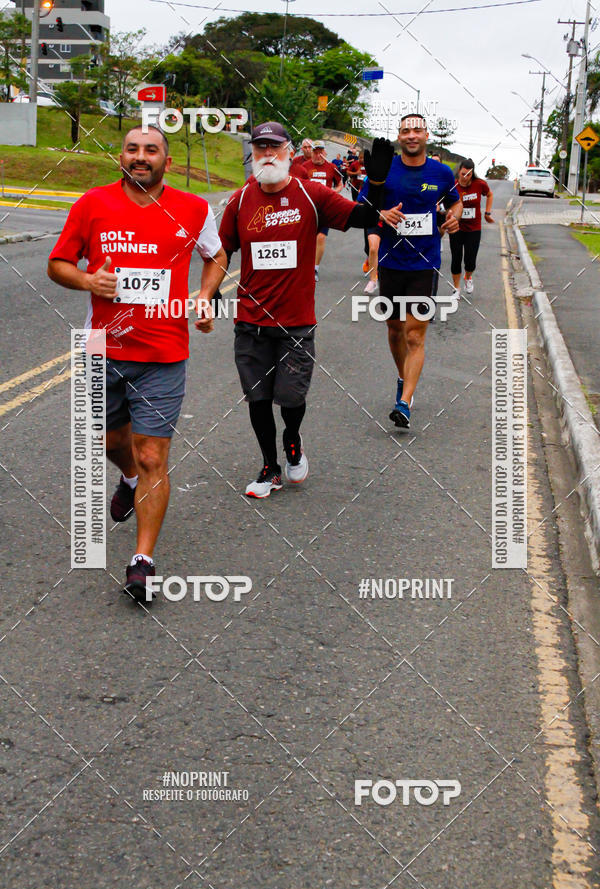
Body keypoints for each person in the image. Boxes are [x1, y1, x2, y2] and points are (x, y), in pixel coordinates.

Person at [48, 124, 227, 600]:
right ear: (121, 157)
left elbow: (216, 255)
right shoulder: (93, 204)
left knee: (153, 454)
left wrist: (206, 295)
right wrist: (88, 283)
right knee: (110, 440)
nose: (141, 156)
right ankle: (126, 478)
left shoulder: (193, 209)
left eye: (151, 149)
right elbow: (58, 263)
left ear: (167, 160)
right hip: (101, 348)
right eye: (133, 149)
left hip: (164, 353)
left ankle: (142, 561)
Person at [218, 121, 397, 498]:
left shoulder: (311, 194)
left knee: (292, 398)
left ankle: (293, 438)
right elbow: (222, 250)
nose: (267, 154)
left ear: (288, 152)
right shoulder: (238, 200)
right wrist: (212, 288)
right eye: (260, 148)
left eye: (274, 148)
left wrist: (376, 185)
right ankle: (270, 467)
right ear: (253, 154)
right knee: (258, 397)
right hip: (250, 321)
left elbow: (363, 217)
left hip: (295, 323)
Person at [359, 114, 462, 429]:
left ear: (426, 135)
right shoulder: (384, 169)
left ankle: (404, 402)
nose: (411, 135)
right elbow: (364, 205)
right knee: (394, 328)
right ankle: (403, 378)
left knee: (414, 333)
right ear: (399, 136)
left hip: (424, 263)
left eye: (417, 130)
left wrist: (454, 218)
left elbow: (455, 203)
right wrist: (381, 212)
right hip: (390, 262)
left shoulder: (442, 173)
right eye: (405, 131)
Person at [449, 158, 493, 297]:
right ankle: (456, 289)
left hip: (474, 228)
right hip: (456, 227)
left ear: (472, 173)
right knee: (456, 258)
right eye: (462, 174)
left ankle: (468, 277)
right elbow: (444, 201)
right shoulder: (453, 185)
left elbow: (490, 194)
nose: (465, 177)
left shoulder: (479, 184)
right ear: (459, 172)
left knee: (470, 260)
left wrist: (487, 212)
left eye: (468, 175)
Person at [300, 139, 343, 281]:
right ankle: (303, 266)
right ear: (311, 153)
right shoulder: (304, 167)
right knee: (307, 238)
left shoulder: (332, 167)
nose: (318, 155)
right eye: (315, 152)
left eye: (320, 152)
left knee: (321, 237)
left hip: (325, 208)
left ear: (324, 152)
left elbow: (340, 184)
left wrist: (333, 193)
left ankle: (315, 268)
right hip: (307, 208)